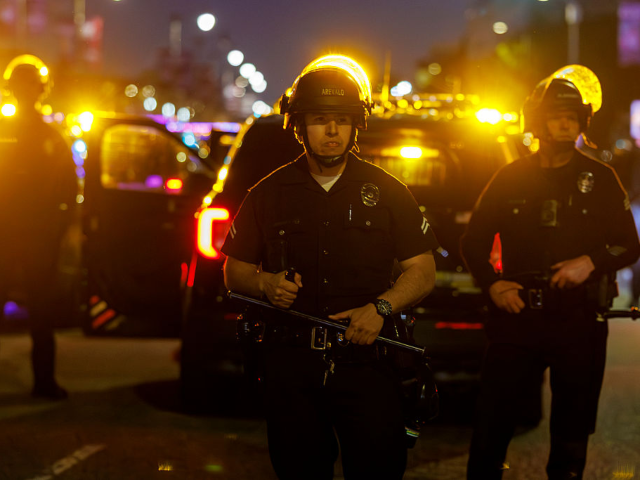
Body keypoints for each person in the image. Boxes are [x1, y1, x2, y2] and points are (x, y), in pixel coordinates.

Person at [222, 55, 438, 480]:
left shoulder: (390, 193)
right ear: (298, 125)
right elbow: (234, 270)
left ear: (357, 124)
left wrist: (381, 309)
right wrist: (265, 283)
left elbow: (422, 269)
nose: (333, 130)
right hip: (291, 367)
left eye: (342, 119)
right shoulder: (267, 194)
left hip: (369, 367)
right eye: (321, 119)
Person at [461, 68, 640, 479]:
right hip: (517, 317)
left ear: (583, 122)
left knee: (571, 435)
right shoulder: (510, 177)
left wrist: (591, 262)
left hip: (578, 322)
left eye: (573, 116)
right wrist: (494, 284)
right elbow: (472, 241)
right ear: (538, 122)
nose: (565, 123)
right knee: (491, 427)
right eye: (557, 115)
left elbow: (629, 244)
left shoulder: (601, 178)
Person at [0, 55, 77, 400]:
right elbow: (69, 191)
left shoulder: (47, 136)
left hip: (32, 235)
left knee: (42, 312)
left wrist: (61, 229)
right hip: (22, 234)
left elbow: (68, 190)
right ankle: (44, 383)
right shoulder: (40, 135)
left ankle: (44, 382)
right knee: (41, 310)